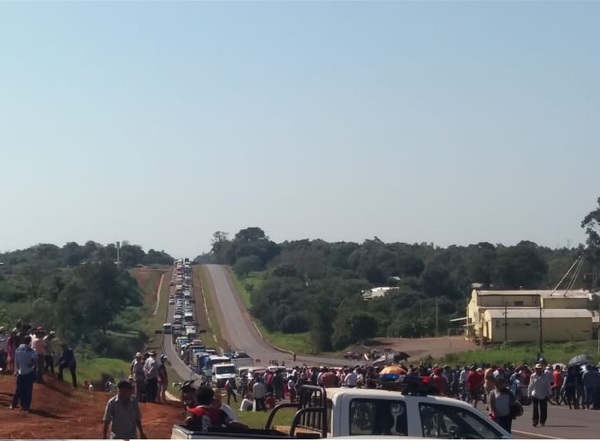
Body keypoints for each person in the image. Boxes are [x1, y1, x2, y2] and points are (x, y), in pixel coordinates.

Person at [10, 335, 37, 412]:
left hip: (20, 372)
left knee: (18, 390)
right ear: (30, 341)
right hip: (29, 372)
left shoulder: (18, 350)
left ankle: (14, 404)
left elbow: (16, 362)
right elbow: (35, 361)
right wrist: (32, 364)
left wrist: (16, 370)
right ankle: (26, 406)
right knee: (28, 390)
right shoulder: (32, 350)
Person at [528, 363, 552, 427]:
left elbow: (548, 385)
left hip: (543, 394)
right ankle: (535, 421)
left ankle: (542, 421)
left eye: (539, 369)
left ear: (541, 369)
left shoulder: (545, 376)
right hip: (535, 394)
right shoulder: (533, 376)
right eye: (537, 369)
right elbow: (530, 385)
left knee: (543, 409)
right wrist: (529, 393)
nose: (538, 370)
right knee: (535, 408)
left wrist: (550, 393)